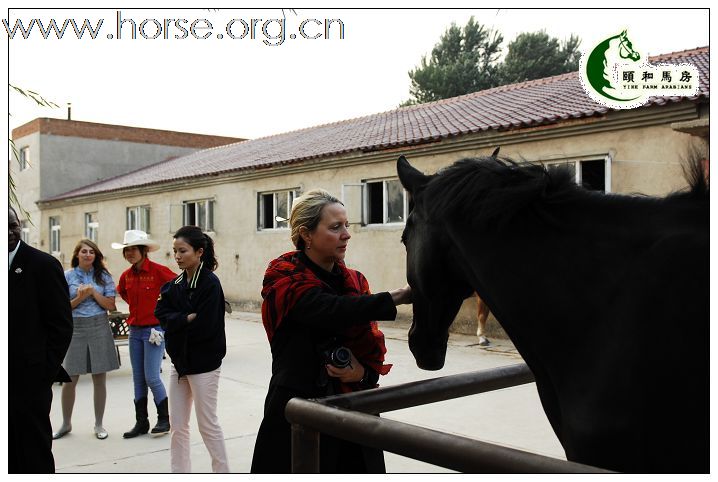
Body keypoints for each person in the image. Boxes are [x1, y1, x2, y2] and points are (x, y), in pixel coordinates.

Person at [250, 189, 412, 473]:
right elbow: (329, 309)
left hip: (352, 407)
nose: (346, 234)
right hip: (297, 409)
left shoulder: (355, 281)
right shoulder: (283, 276)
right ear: (307, 234)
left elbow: (370, 348)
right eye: (335, 227)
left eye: (347, 225)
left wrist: (362, 372)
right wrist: (398, 296)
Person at [154, 226, 229, 473]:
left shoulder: (209, 283)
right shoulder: (173, 285)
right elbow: (162, 315)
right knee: (178, 425)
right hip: (180, 364)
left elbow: (207, 326)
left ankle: (222, 473)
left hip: (204, 364)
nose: (177, 256)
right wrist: (184, 319)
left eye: (182, 251)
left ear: (199, 252)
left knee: (207, 424)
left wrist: (176, 322)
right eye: (174, 251)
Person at [8, 207, 73, 473]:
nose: (10, 232)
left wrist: (43, 373)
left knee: (33, 454)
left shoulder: (42, 265)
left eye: (13, 225)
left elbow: (61, 326)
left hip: (29, 381)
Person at [53, 239, 119, 440]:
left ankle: (99, 424)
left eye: (91, 252)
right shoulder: (67, 276)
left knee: (99, 378)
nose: (88, 254)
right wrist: (80, 298)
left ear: (96, 256)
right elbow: (61, 307)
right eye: (84, 251)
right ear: (77, 254)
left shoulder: (104, 276)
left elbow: (110, 305)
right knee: (70, 379)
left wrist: (92, 292)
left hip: (99, 325)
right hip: (75, 328)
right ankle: (66, 424)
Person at [113, 230, 176, 438]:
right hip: (135, 332)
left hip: (154, 331)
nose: (129, 253)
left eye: (133, 249)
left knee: (152, 376)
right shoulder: (126, 276)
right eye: (126, 250)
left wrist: (165, 313)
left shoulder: (159, 271)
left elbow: (178, 287)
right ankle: (141, 422)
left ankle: (164, 419)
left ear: (143, 250)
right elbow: (122, 291)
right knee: (138, 378)